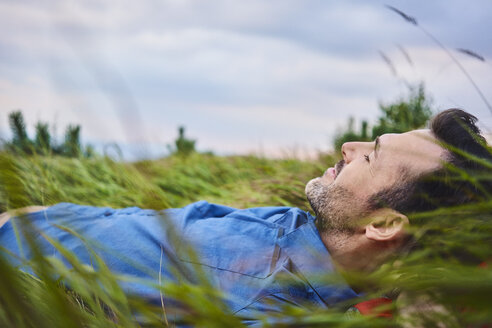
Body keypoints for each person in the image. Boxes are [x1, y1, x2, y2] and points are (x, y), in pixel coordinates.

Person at [0, 108, 490, 325]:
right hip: (44, 218)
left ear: (382, 224)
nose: (350, 146)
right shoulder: (311, 230)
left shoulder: (262, 304)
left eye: (370, 156)